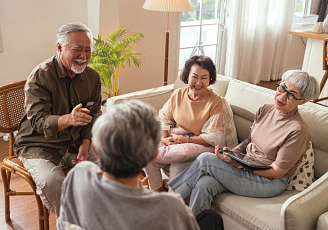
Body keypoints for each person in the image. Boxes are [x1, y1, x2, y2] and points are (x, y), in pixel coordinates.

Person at [168, 70, 320, 216]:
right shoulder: (265, 110)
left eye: (291, 95)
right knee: (204, 184)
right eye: (282, 88)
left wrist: (240, 165)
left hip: (269, 182)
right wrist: (235, 154)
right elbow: (250, 140)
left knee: (205, 160)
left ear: (303, 101)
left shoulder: (298, 130)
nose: (282, 96)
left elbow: (277, 172)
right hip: (247, 165)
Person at [57, 100, 200, 230]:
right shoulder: (171, 209)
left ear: (96, 149)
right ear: (153, 156)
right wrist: (134, 194)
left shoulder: (78, 176)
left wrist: (131, 192)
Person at [13, 22, 101, 217]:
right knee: (52, 181)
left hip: (76, 142)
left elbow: (94, 114)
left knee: (108, 166)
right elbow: (38, 121)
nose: (84, 56)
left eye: (88, 50)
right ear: (59, 48)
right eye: (77, 49)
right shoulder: (40, 76)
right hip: (38, 145)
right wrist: (69, 119)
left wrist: (86, 143)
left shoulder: (93, 78)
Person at [145, 55, 237, 192]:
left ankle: (173, 202)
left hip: (199, 145)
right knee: (149, 159)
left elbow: (213, 138)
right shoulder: (178, 94)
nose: (198, 82)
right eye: (194, 77)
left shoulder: (217, 102)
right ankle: (158, 194)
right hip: (176, 137)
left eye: (204, 78)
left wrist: (184, 140)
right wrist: (164, 139)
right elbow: (164, 118)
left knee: (177, 166)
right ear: (187, 76)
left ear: (210, 79)